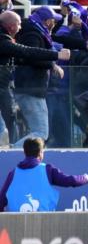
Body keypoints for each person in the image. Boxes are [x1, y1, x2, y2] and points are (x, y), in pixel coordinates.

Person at [0, 11, 70, 145]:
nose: (21, 28)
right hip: (23, 90)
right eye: (19, 24)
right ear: (12, 26)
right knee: (8, 132)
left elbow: (23, 56)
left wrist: (51, 64)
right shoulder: (3, 41)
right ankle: (13, 155)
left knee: (5, 131)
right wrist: (56, 56)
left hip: (5, 90)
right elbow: (27, 51)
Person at [0, 137, 88, 212]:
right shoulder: (47, 170)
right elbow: (68, 180)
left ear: (24, 153)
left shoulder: (13, 174)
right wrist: (84, 178)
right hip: (44, 224)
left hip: (17, 226)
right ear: (40, 153)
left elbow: (1, 200)